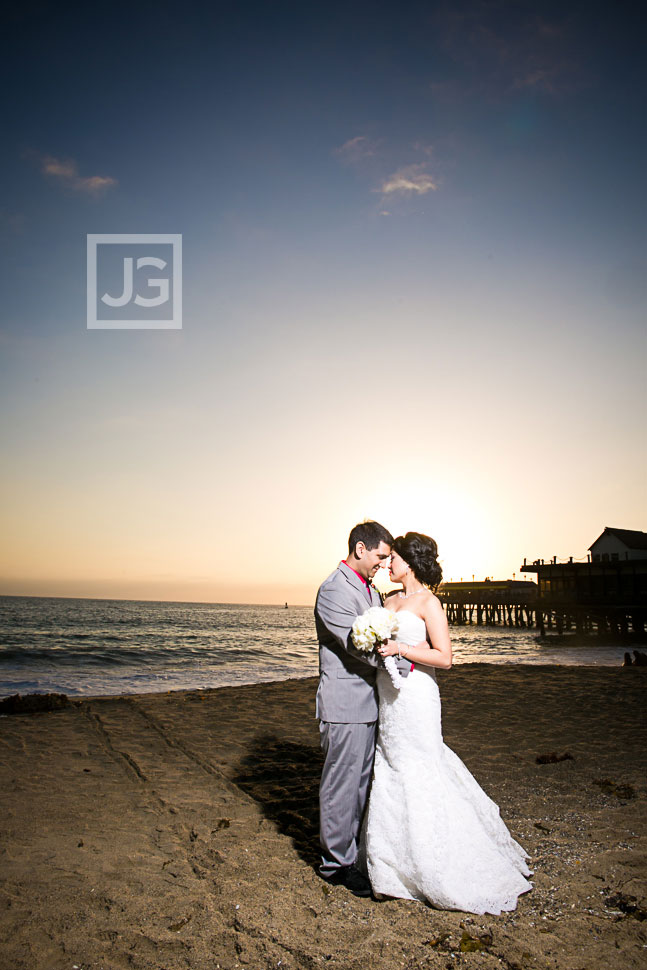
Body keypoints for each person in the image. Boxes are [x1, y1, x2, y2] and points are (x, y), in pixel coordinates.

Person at [362, 532, 532, 914]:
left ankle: (432, 862)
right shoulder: (387, 600)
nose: (389, 564)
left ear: (410, 562)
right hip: (389, 697)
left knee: (420, 767)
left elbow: (445, 657)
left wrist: (401, 648)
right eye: (387, 560)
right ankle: (389, 870)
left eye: (395, 559)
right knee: (389, 767)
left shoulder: (429, 602)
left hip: (417, 696)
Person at [314, 520, 412, 897]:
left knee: (359, 786)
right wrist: (406, 664)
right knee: (341, 785)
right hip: (345, 704)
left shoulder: (368, 589)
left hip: (370, 704)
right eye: (380, 557)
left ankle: (350, 855)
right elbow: (359, 645)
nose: (384, 565)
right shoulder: (334, 590)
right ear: (360, 549)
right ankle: (335, 866)